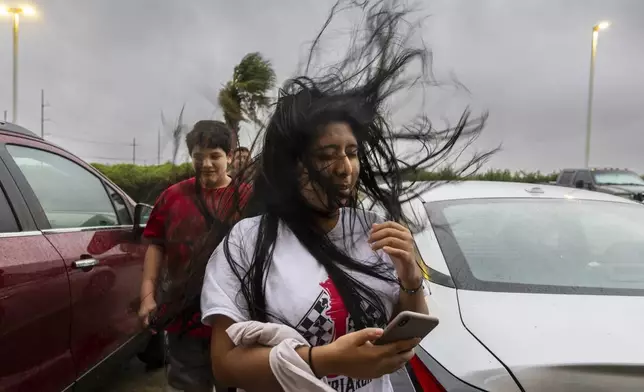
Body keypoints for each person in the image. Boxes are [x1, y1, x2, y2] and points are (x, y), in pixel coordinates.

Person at [138, 120, 250, 392]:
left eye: (215, 156)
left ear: (230, 157)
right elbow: (156, 246)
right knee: (187, 384)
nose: (207, 164)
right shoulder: (172, 197)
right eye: (199, 157)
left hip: (232, 316)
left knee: (231, 382)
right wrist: (147, 295)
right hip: (183, 315)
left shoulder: (248, 198)